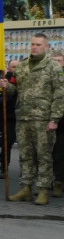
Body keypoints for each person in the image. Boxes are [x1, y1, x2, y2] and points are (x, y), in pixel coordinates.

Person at [0, 33, 64, 205]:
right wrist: (8, 86)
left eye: (38, 44)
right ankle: (26, 188)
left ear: (46, 47)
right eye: (33, 44)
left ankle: (43, 190)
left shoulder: (53, 68)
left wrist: (54, 119)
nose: (34, 47)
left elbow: (60, 95)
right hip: (23, 118)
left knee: (44, 155)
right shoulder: (22, 66)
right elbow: (16, 89)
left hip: (43, 119)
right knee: (25, 154)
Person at [0, 58, 19, 178]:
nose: (15, 69)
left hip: (22, 117)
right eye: (13, 67)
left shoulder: (24, 79)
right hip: (9, 117)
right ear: (9, 68)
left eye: (17, 67)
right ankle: (4, 167)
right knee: (7, 144)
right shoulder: (5, 79)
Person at [51, 52, 64, 196]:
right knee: (52, 154)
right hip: (50, 121)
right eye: (53, 61)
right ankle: (54, 183)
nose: (56, 63)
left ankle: (60, 182)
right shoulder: (47, 78)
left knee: (60, 153)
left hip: (62, 121)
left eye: (59, 60)